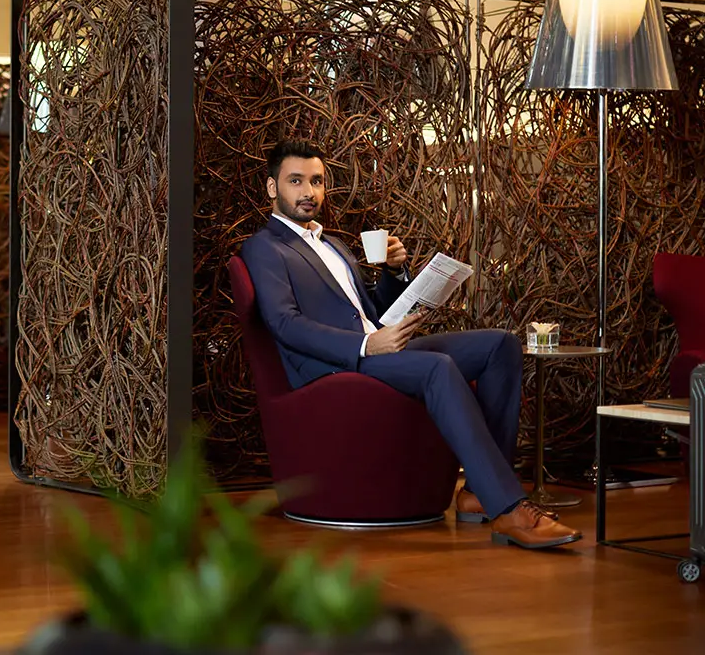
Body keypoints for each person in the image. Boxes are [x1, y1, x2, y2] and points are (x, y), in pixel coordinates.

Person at [240, 139, 581, 550]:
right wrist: (366, 346)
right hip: (333, 365)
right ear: (272, 188)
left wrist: (394, 273)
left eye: (317, 181)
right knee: (437, 367)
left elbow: (370, 310)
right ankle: (509, 508)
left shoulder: (334, 244)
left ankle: (477, 492)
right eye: (296, 181)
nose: (309, 192)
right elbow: (284, 324)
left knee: (501, 346)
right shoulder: (265, 246)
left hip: (377, 348)